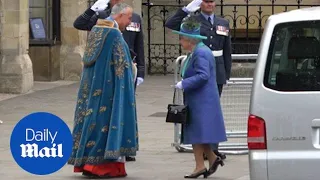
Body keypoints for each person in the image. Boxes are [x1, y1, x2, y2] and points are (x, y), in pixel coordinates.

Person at [67, 3, 138, 178]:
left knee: (92, 121)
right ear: (120, 15)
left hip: (93, 87)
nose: (130, 22)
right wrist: (134, 71)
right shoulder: (114, 35)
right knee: (106, 124)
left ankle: (87, 163)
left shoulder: (97, 30)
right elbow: (122, 65)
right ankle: (103, 167)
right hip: (109, 90)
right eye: (129, 18)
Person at [165, 0, 231, 160]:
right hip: (198, 67)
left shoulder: (223, 22)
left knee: (211, 113)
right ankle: (206, 150)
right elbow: (170, 24)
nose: (209, 4)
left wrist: (227, 73)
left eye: (212, 1)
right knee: (201, 114)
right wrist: (186, 10)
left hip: (217, 69)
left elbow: (227, 48)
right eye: (206, 1)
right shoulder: (192, 20)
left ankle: (212, 150)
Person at [173, 16, 227, 178]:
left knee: (197, 134)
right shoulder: (197, 51)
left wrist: (184, 83)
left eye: (182, 39)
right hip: (199, 99)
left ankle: (200, 166)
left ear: (190, 40)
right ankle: (210, 160)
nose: (180, 42)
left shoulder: (201, 53)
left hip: (202, 100)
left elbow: (203, 76)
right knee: (199, 134)